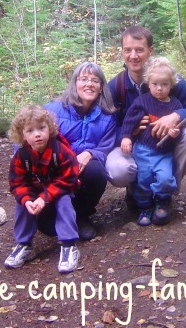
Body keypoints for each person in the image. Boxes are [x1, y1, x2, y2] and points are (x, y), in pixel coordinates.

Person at [107, 26, 186, 210]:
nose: (133, 56)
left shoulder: (169, 80)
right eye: (128, 50)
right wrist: (130, 132)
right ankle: (136, 188)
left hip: (165, 146)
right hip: (131, 147)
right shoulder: (116, 86)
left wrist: (177, 115)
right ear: (122, 52)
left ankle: (165, 192)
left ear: (150, 51)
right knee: (118, 170)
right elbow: (103, 130)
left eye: (139, 49)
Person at [45, 61, 116, 240]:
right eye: (84, 79)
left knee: (96, 171)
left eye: (95, 80)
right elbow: (28, 136)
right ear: (75, 83)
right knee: (47, 227)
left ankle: (81, 215)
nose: (89, 84)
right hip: (54, 169)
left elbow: (107, 146)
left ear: (101, 88)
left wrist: (91, 153)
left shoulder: (107, 116)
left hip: (83, 169)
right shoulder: (52, 110)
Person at [5, 104, 80, 273]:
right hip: (36, 195)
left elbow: (69, 178)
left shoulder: (60, 151)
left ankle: (69, 245)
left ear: (50, 128)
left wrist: (45, 197)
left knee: (64, 200)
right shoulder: (21, 157)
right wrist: (27, 200)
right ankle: (24, 244)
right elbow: (17, 184)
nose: (37, 134)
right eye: (30, 131)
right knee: (22, 203)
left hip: (59, 191)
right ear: (22, 134)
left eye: (41, 128)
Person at [120, 57, 184, 226]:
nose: (159, 88)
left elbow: (178, 128)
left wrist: (174, 132)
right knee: (144, 179)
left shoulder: (175, 104)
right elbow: (129, 120)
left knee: (165, 177)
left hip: (164, 152)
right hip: (143, 150)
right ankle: (145, 206)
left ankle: (162, 201)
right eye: (155, 84)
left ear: (171, 84)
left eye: (164, 84)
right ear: (148, 83)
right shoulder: (142, 101)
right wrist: (126, 136)